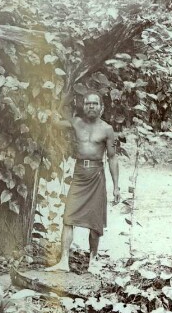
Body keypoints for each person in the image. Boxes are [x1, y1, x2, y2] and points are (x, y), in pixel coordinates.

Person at [46, 92, 120, 274]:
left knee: (95, 223)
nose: (91, 106)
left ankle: (92, 262)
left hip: (96, 175)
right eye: (88, 104)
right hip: (79, 174)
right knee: (68, 217)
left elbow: (112, 157)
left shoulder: (107, 129)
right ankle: (64, 261)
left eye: (95, 103)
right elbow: (55, 122)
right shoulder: (76, 122)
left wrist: (116, 186)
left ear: (101, 107)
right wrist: (55, 98)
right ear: (83, 106)